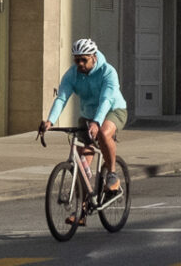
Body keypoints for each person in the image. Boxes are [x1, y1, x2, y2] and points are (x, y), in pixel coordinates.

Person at [38, 38, 126, 197]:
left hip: (113, 110)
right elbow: (62, 98)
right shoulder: (72, 74)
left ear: (94, 57)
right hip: (88, 114)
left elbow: (106, 100)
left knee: (104, 133)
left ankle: (112, 173)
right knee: (81, 165)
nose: (80, 64)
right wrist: (50, 121)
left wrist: (96, 123)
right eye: (76, 60)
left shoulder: (108, 72)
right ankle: (82, 211)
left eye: (84, 60)